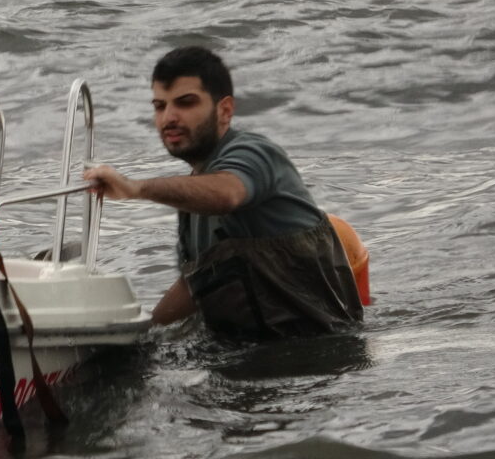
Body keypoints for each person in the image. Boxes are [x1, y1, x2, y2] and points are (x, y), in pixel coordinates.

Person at [84, 46, 364, 339]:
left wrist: (135, 188)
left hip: (316, 350)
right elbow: (194, 287)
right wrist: (140, 336)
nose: (169, 118)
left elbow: (227, 194)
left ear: (225, 110)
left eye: (185, 103)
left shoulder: (255, 155)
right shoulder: (194, 195)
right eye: (159, 106)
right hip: (252, 351)